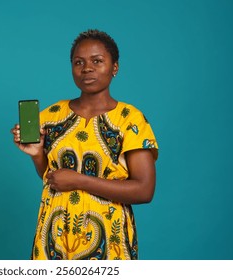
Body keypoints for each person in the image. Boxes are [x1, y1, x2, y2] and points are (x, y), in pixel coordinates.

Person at [11, 29, 158, 260]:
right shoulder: (51, 115)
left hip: (109, 241)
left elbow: (144, 190)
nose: (87, 68)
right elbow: (53, 178)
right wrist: (37, 154)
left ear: (114, 68)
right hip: (53, 237)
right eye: (79, 62)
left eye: (97, 61)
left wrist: (80, 181)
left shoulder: (130, 120)